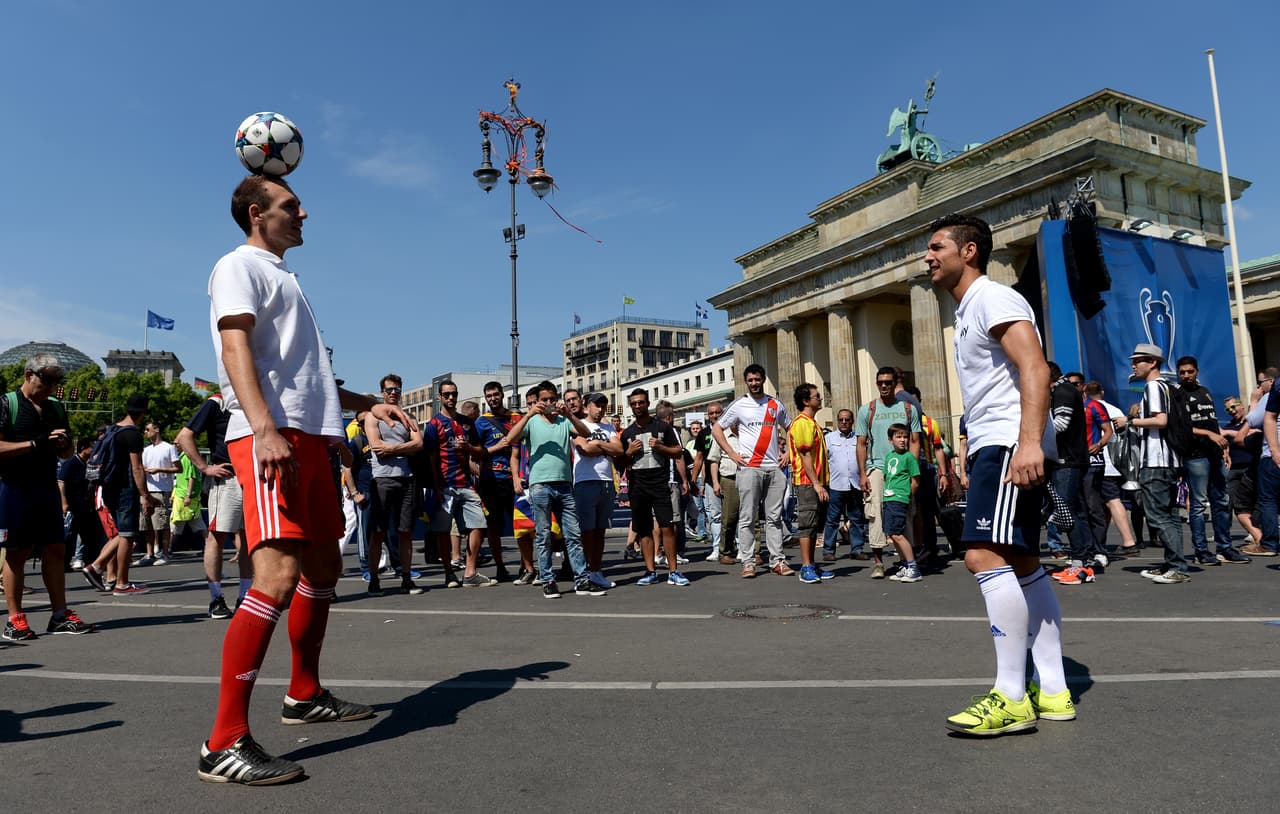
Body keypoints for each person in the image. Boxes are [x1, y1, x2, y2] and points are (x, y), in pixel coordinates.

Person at [197, 174, 412, 785]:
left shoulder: (285, 277)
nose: (304, 213)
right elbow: (234, 346)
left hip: (312, 437)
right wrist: (263, 427)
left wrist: (366, 401)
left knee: (321, 569)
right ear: (256, 213)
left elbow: (302, 373)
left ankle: (304, 693)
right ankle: (223, 740)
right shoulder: (237, 266)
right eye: (291, 206)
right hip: (274, 435)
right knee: (276, 574)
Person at [926, 213, 1070, 736]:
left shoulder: (992, 297)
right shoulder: (968, 310)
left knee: (981, 555)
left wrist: (1027, 442)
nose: (928, 256)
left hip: (1011, 441)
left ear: (968, 251)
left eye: (937, 246)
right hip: (998, 441)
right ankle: (1053, 690)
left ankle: (1010, 695)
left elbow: (1035, 368)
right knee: (1024, 561)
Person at [1, 354, 96, 639]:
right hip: (15, 486)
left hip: (46, 486)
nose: (52, 387)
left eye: (57, 381)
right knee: (17, 553)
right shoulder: (7, 403)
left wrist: (64, 445)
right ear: (29, 375)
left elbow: (67, 454)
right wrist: (35, 443)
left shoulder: (55, 407)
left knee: (56, 550)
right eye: (47, 380)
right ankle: (15, 619)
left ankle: (60, 615)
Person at [503, 381, 599, 597]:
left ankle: (582, 581)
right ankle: (547, 580)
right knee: (543, 535)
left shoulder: (564, 421)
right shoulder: (532, 422)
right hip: (539, 486)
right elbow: (510, 439)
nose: (548, 403)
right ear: (537, 402)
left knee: (573, 534)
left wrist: (571, 415)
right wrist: (528, 415)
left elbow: (586, 432)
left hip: (564, 485)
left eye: (551, 399)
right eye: (544, 400)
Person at [712, 364, 792, 578]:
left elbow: (791, 427)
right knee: (747, 517)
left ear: (763, 379)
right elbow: (717, 428)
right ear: (746, 382)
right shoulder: (739, 405)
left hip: (773, 468)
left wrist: (789, 453)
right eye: (750, 380)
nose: (754, 383)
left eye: (757, 379)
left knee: (775, 518)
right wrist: (732, 453)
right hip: (749, 468)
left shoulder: (775, 404)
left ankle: (778, 561)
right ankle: (748, 562)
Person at [176, 393, 251, 619]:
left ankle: (245, 597)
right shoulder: (218, 401)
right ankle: (216, 598)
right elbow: (184, 436)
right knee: (216, 537)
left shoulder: (256, 398)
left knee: (248, 539)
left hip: (253, 479)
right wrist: (205, 467)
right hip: (227, 479)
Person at [1177, 357, 1249, 564]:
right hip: (1195, 456)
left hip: (1214, 453)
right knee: (1199, 504)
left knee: (1222, 501)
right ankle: (1201, 551)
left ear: (1197, 371)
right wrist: (1208, 435)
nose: (1186, 376)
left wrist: (1224, 448)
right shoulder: (1177, 394)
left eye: (1190, 371)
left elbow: (1211, 421)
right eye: (1182, 372)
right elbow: (1180, 427)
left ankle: (1225, 547)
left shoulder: (1205, 392)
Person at [1129, 343, 1191, 583]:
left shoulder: (1154, 386)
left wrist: (1131, 422)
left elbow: (1161, 420)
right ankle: (1173, 563)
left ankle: (1177, 567)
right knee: (1170, 515)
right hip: (1171, 460)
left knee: (1157, 516)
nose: (1134, 364)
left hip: (1156, 460)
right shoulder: (1167, 386)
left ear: (1152, 362)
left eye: (1139, 360)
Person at [82, 393, 155, 596]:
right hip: (125, 488)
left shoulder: (112, 430)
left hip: (108, 488)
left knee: (121, 533)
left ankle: (96, 567)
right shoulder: (133, 435)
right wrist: (145, 495)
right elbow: (137, 468)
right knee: (127, 536)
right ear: (142, 413)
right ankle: (121, 583)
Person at [420, 379, 491, 589]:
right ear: (440, 397)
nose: (451, 397)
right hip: (445, 486)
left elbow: (480, 452)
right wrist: (436, 487)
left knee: (478, 524)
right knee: (443, 530)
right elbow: (430, 460)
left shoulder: (467, 422)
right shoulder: (434, 425)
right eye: (447, 394)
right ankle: (449, 573)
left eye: (454, 394)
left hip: (466, 484)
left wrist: (468, 448)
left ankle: (470, 572)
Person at [856, 366, 921, 578]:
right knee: (875, 513)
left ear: (895, 384)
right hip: (877, 467)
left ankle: (907, 562)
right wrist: (863, 474)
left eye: (888, 382)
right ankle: (878, 562)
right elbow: (861, 443)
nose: (884, 386)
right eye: (880, 382)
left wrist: (913, 474)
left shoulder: (908, 408)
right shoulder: (867, 410)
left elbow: (914, 441)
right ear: (877, 384)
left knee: (905, 513)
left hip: (901, 472)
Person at [620, 389, 689, 586]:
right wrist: (629, 452)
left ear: (647, 403)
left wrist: (661, 448)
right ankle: (650, 571)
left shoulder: (663, 427)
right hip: (638, 487)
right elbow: (619, 464)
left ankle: (673, 571)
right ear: (630, 406)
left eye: (641, 402)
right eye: (633, 403)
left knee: (667, 527)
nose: (637, 406)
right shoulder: (628, 433)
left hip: (660, 484)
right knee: (644, 530)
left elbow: (677, 452)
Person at [364, 374, 425, 595]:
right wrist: (403, 447)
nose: (393, 393)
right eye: (389, 389)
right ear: (382, 392)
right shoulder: (373, 417)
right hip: (382, 479)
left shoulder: (409, 418)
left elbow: (418, 444)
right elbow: (375, 445)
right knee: (378, 532)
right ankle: (373, 580)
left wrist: (391, 449)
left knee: (405, 532)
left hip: (406, 479)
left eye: (397, 390)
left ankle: (406, 578)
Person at [572, 393, 623, 589]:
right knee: (586, 531)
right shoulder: (579, 426)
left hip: (606, 481)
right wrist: (607, 447)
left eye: (603, 405)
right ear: (586, 406)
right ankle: (583, 573)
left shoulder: (609, 427)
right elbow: (584, 449)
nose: (600, 409)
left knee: (601, 530)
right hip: (585, 481)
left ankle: (596, 571)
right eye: (597, 405)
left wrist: (599, 444)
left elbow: (619, 450)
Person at [474, 381, 520, 582]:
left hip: (514, 480)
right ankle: (500, 566)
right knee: (493, 527)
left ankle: (527, 566)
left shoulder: (516, 418)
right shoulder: (481, 422)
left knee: (522, 525)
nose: (493, 398)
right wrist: (482, 473)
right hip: (491, 482)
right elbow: (473, 454)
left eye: (495, 394)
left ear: (503, 395)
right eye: (489, 396)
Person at [788, 383, 834, 584]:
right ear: (806, 401)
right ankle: (806, 566)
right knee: (807, 524)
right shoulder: (802, 423)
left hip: (818, 481)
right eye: (817, 396)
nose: (820, 399)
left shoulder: (812, 422)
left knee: (815, 524)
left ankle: (812, 564)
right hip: (808, 482)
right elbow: (805, 454)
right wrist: (816, 483)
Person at [1222, 396, 1265, 551]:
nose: (1231, 411)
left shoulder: (1252, 422)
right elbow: (1224, 444)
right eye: (1227, 409)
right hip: (1233, 469)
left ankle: (1256, 532)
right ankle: (1253, 533)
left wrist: (1227, 432)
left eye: (1233, 407)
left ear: (1242, 406)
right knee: (1235, 503)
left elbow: (1253, 433)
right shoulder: (1229, 425)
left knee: (1257, 502)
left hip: (1251, 466)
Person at [824, 408, 867, 561]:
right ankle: (828, 550)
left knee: (856, 518)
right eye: (841, 419)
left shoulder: (859, 438)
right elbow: (824, 460)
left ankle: (857, 549)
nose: (844, 422)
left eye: (847, 419)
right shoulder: (829, 438)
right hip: (836, 484)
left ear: (852, 421)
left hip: (854, 484)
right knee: (832, 519)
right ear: (837, 420)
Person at [881, 424, 922, 583]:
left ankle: (913, 567)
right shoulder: (890, 457)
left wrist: (906, 496)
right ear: (890, 439)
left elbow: (915, 482)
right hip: (889, 498)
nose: (902, 440)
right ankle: (905, 564)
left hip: (899, 498)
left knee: (898, 534)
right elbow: (887, 477)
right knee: (892, 533)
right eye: (898, 437)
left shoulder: (909, 457)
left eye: (905, 437)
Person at [60, 436, 105, 571]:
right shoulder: (71, 463)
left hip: (87, 506)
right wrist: (64, 503)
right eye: (92, 447)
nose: (93, 450)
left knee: (91, 536)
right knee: (70, 536)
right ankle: (64, 563)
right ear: (82, 448)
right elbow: (61, 483)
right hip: (74, 506)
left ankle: (90, 562)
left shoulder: (89, 464)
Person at [140, 420, 181, 565]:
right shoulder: (146, 449)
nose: (145, 432)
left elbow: (178, 468)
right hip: (147, 490)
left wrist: (160, 469)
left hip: (162, 490)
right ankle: (149, 554)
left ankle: (164, 553)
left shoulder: (169, 448)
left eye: (147, 429)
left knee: (162, 524)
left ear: (156, 430)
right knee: (147, 524)